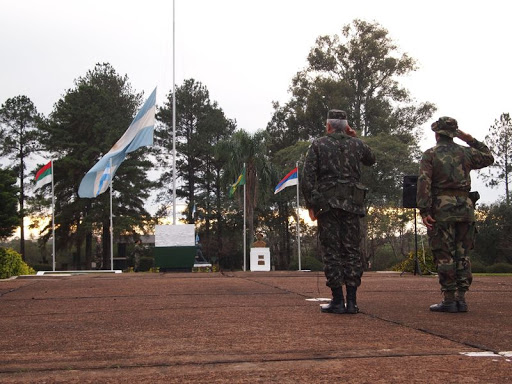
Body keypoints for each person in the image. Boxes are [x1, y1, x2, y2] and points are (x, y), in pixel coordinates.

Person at [302, 109, 376, 314]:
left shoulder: (318, 144)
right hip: (352, 204)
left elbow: (308, 178)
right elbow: (371, 159)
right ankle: (352, 302)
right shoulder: (357, 144)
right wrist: (355, 137)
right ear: (346, 126)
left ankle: (337, 300)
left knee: (331, 251)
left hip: (328, 205)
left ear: (328, 126)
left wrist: (312, 204)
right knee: (352, 250)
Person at [417, 117, 494, 313]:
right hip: (465, 208)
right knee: (463, 254)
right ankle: (462, 298)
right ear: (453, 134)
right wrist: (469, 138)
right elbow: (488, 156)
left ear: (437, 134)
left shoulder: (430, 155)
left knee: (444, 253)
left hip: (441, 209)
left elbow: (424, 182)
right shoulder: (466, 153)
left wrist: (424, 210)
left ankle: (449, 299)